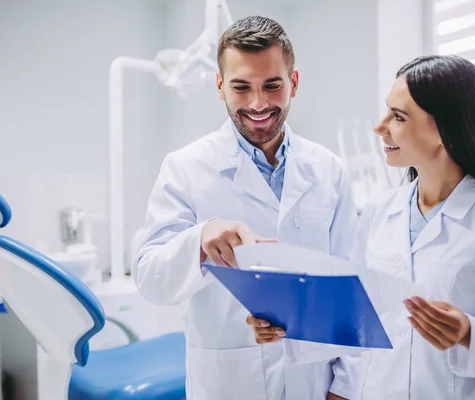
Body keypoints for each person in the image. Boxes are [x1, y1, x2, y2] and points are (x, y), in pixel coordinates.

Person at [247, 54, 475, 399]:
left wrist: (470, 334)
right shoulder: (380, 211)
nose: (380, 127)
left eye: (398, 117)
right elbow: (359, 319)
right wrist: (286, 325)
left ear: (445, 128)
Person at [132, 15, 362, 400]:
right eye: (241, 88)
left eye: (272, 85)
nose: (259, 104)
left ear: (294, 83)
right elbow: (151, 278)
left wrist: (345, 387)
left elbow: (352, 287)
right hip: (229, 383)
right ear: (220, 86)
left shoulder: (328, 170)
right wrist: (200, 240)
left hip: (314, 382)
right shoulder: (185, 168)